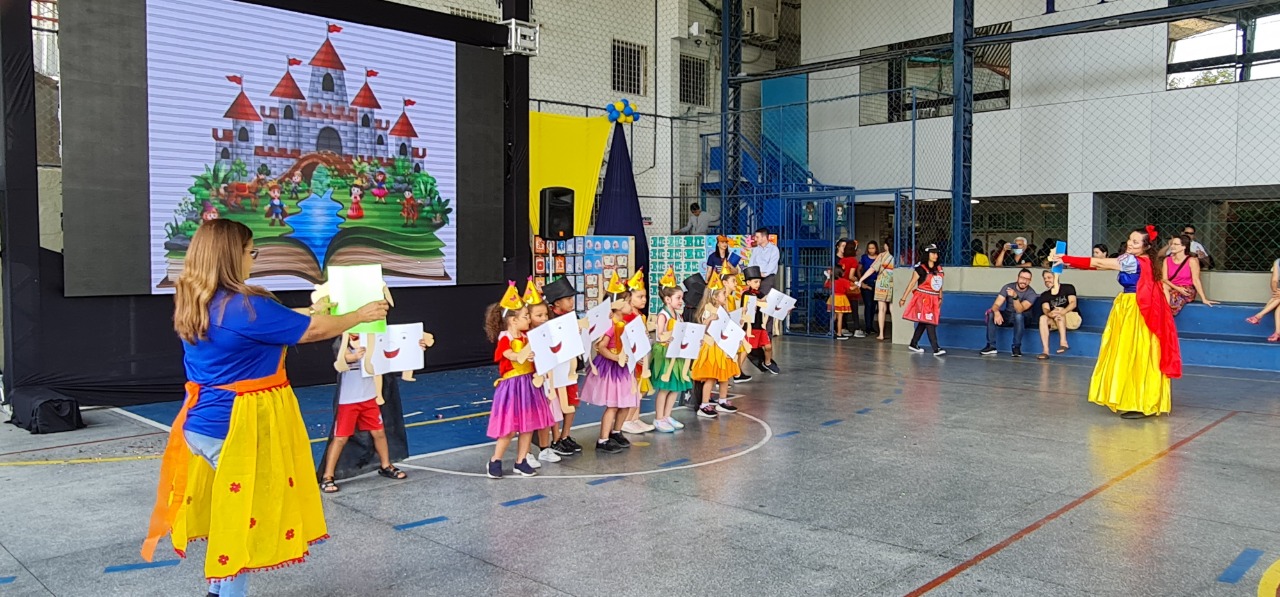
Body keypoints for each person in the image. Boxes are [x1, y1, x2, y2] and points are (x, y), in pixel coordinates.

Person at [143, 219, 389, 597]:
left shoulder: (200, 299)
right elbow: (311, 331)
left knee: (229, 513)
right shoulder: (246, 306)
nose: (253, 258)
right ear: (231, 256)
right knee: (244, 524)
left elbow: (275, 324)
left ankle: (216, 590)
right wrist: (360, 315)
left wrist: (314, 309)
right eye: (250, 251)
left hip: (201, 424)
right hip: (234, 427)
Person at [1053, 225, 1182, 419]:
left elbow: (1099, 262)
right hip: (1135, 307)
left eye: (1136, 242)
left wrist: (1066, 258)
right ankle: (1138, 398)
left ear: (1146, 246)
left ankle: (1139, 401)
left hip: (1135, 309)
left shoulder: (1132, 260)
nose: (1130, 243)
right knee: (1138, 352)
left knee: (1131, 352)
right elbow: (1099, 265)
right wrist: (1069, 262)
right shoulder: (1145, 260)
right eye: (1130, 239)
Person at [317, 332, 417, 493]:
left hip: (369, 397)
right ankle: (328, 475)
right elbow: (340, 361)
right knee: (340, 437)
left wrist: (415, 346)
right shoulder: (343, 341)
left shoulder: (374, 338)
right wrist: (354, 356)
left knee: (379, 432)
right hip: (348, 400)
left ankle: (386, 465)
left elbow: (394, 353)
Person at [484, 282, 558, 477]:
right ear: (513, 320)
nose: (528, 319)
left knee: (528, 426)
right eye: (526, 316)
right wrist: (521, 355)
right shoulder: (505, 337)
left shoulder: (528, 337)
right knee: (509, 429)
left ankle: (521, 460)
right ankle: (495, 460)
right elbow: (508, 354)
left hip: (529, 384)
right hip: (512, 386)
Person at [580, 275, 638, 453]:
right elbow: (601, 347)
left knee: (626, 402)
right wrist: (615, 358)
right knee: (613, 405)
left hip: (624, 366)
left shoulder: (625, 324)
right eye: (628, 302)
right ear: (618, 305)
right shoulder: (611, 326)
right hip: (612, 368)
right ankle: (603, 439)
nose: (631, 305)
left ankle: (616, 432)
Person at [540, 277, 584, 455]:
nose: (571, 302)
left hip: (569, 368)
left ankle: (565, 436)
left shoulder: (573, 317)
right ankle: (556, 438)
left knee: (572, 402)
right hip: (556, 370)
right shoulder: (550, 320)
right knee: (557, 405)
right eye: (568, 299)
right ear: (557, 302)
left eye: (572, 298)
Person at [691, 272, 741, 418]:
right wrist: (709, 320)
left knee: (724, 375)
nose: (725, 296)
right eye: (723, 294)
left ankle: (722, 400)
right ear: (714, 297)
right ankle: (704, 404)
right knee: (711, 376)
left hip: (723, 346)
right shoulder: (708, 309)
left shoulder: (723, 309)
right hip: (711, 346)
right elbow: (703, 328)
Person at [650, 268, 691, 433]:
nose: (681, 301)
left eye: (681, 298)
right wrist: (672, 335)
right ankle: (659, 418)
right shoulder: (663, 315)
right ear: (667, 299)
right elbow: (660, 335)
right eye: (678, 298)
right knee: (665, 387)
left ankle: (667, 415)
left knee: (675, 387)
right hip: (665, 354)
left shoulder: (678, 315)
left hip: (676, 353)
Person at [621, 270, 656, 434]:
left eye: (645, 296)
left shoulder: (640, 315)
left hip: (642, 358)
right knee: (634, 390)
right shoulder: (627, 317)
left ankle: (635, 418)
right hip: (634, 359)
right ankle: (627, 420)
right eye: (640, 297)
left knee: (641, 388)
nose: (644, 300)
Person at [898, 244, 946, 356]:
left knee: (923, 322)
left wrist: (940, 297)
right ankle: (936, 348)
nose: (935, 255)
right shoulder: (920, 269)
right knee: (929, 321)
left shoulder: (939, 269)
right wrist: (903, 298)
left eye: (936, 253)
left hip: (934, 298)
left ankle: (913, 343)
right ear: (927, 254)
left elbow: (939, 285)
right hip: (924, 299)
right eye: (933, 253)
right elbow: (911, 284)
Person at [979, 268, 1039, 358]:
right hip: (1008, 315)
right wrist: (996, 312)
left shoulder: (1031, 294)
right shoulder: (1008, 287)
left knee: (1018, 316)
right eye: (1022, 278)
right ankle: (991, 346)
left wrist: (1015, 297)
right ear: (1017, 278)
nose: (1024, 281)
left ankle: (1016, 347)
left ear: (1030, 281)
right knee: (991, 314)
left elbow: (1019, 310)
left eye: (1027, 279)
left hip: (1023, 319)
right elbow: (996, 304)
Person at [1163, 234, 1217, 316]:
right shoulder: (1167, 260)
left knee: (1172, 298)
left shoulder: (1192, 260)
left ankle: (1166, 314)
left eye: (1176, 244)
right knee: (1162, 288)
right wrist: (1178, 288)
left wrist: (1204, 298)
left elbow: (1196, 280)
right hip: (1173, 287)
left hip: (1186, 289)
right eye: (1172, 244)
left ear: (1184, 247)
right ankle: (1166, 313)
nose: (1172, 246)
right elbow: (1164, 279)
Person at [741, 266, 780, 374]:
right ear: (748, 282)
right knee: (747, 350)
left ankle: (767, 362)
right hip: (750, 327)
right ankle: (738, 371)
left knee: (768, 346)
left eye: (759, 282)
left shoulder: (759, 293)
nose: (758, 284)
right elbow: (756, 302)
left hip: (760, 325)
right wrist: (765, 299)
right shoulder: (746, 294)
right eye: (756, 282)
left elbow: (766, 303)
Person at [1035, 270, 1079, 360]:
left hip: (1072, 318)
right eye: (1045, 278)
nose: (1046, 280)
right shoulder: (1044, 295)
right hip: (1056, 320)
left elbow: (1073, 303)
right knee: (1043, 318)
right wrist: (1050, 313)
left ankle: (1063, 343)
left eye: (1049, 277)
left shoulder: (1068, 287)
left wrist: (1062, 311)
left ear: (1056, 278)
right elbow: (1045, 309)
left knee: (1060, 310)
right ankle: (1045, 351)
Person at [856, 240, 895, 341]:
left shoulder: (882, 256)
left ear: (886, 246)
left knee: (881, 309)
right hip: (894, 283)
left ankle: (881, 334)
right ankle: (895, 334)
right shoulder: (899, 256)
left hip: (882, 284)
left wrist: (861, 279)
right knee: (893, 309)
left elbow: (872, 269)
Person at [749, 227, 780, 328]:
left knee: (767, 304)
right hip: (755, 278)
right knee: (753, 303)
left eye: (757, 237)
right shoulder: (755, 250)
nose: (755, 239)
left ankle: (767, 331)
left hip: (767, 278)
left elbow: (771, 266)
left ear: (764, 237)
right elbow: (751, 264)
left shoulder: (773, 249)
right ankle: (755, 328)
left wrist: (762, 274)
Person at [1246, 258, 1280, 342]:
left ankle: (1258, 316)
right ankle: (1277, 333)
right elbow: (1274, 281)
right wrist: (1276, 292)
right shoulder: (1278, 262)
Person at [837, 239, 865, 337]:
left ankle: (844, 328)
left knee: (844, 309)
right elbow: (851, 276)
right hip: (851, 286)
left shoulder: (842, 260)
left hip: (842, 287)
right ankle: (857, 328)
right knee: (854, 309)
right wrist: (857, 281)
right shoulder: (853, 260)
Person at [825, 265, 854, 340]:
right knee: (840, 317)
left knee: (833, 316)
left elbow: (826, 285)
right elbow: (851, 288)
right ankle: (839, 333)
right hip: (841, 298)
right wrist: (857, 285)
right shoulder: (844, 281)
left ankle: (831, 331)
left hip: (832, 298)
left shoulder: (831, 281)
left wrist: (828, 277)